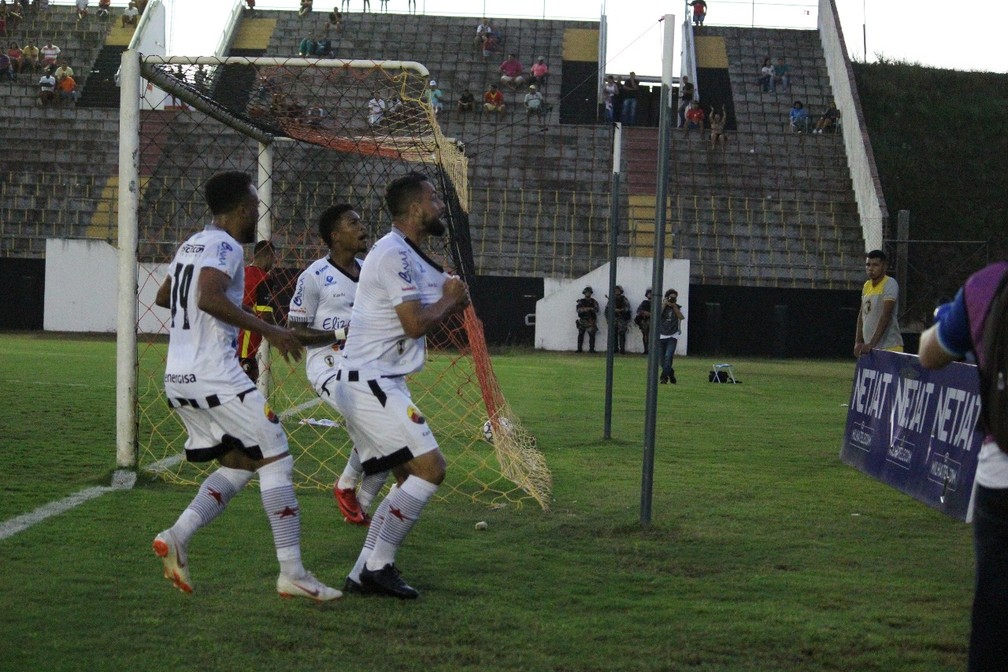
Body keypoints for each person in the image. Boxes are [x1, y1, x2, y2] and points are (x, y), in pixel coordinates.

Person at [151, 171, 340, 602]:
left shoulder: (191, 244)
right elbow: (208, 297)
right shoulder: (225, 245)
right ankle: (292, 572)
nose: (258, 213)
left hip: (179, 377)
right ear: (242, 209)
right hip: (216, 373)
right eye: (256, 206)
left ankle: (178, 535)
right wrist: (268, 330)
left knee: (240, 462)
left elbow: (167, 297)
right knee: (276, 456)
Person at [332, 171, 470, 599]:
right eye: (434, 199)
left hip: (379, 380)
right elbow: (414, 324)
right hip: (369, 380)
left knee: (408, 476)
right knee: (431, 469)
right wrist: (451, 298)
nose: (441, 206)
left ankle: (361, 574)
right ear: (415, 209)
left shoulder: (411, 255)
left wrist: (451, 293)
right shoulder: (392, 253)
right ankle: (380, 565)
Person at [918, 261, 1008, 672]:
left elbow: (930, 354)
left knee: (995, 616)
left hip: (1002, 477)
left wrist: (947, 320)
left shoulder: (987, 285)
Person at [287, 204, 389, 527]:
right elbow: (295, 331)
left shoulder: (370, 274)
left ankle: (359, 504)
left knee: (392, 432)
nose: (362, 227)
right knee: (374, 424)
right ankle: (345, 484)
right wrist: (341, 332)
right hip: (328, 364)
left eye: (361, 221)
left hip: (366, 364)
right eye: (353, 222)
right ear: (335, 236)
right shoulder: (314, 277)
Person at [236, 239, 278, 383]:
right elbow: (266, 315)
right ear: (269, 256)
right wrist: (281, 334)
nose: (273, 264)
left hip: (228, 344)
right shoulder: (264, 278)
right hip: (245, 349)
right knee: (244, 397)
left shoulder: (241, 273)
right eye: (273, 259)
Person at [854, 249, 903, 356]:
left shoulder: (890, 283)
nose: (870, 268)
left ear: (884, 266)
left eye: (875, 265)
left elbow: (886, 315)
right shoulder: (867, 285)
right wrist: (858, 342)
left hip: (889, 347)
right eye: (868, 265)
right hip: (870, 348)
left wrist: (872, 343)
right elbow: (862, 315)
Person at [658, 289, 684, 383]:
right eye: (670, 297)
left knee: (668, 356)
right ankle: (671, 373)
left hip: (673, 335)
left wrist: (674, 306)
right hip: (660, 335)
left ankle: (663, 377)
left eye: (674, 298)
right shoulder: (661, 306)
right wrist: (664, 304)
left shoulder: (678, 307)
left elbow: (681, 317)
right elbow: (657, 316)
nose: (672, 299)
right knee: (662, 361)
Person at [607, 285, 633, 354]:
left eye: (618, 290)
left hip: (622, 319)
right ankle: (615, 348)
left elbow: (627, 308)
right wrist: (613, 310)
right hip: (614, 319)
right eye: (615, 290)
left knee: (622, 334)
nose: (616, 292)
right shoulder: (612, 299)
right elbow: (607, 309)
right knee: (613, 334)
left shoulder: (624, 299)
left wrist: (620, 310)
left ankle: (622, 349)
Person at [576, 286, 599, 353]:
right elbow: (578, 310)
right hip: (582, 320)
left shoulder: (593, 301)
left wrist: (590, 309)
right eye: (586, 292)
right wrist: (584, 309)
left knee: (592, 335)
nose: (587, 294)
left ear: (591, 293)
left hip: (590, 320)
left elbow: (596, 309)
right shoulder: (581, 301)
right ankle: (579, 349)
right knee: (580, 334)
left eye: (588, 292)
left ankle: (591, 349)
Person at [635, 289, 652, 354]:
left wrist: (650, 314)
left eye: (651, 293)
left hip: (652, 321)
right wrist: (644, 312)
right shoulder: (644, 302)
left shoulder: (657, 303)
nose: (650, 295)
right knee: (645, 335)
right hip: (644, 321)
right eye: (649, 294)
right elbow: (638, 311)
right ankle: (646, 350)